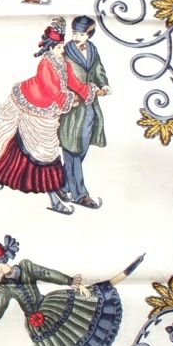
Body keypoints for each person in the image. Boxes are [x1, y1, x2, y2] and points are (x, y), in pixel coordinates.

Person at [0, 235, 143, 346]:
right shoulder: (4, 287)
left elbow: (47, 274)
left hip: (51, 308)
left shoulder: (26, 267)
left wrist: (72, 283)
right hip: (36, 325)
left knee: (75, 333)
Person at [0, 18, 107, 215]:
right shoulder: (46, 64)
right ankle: (54, 198)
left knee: (28, 151)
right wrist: (70, 98)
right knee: (46, 156)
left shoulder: (62, 61)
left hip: (50, 113)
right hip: (37, 110)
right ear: (51, 47)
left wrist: (89, 91)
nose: (63, 49)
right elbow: (51, 90)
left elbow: (73, 81)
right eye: (59, 47)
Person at [57, 15, 109, 209]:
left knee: (82, 147)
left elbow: (98, 70)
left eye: (80, 34)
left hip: (90, 106)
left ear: (89, 35)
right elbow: (61, 77)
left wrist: (104, 84)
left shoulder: (93, 49)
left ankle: (62, 185)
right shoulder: (64, 51)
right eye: (74, 33)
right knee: (72, 149)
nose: (76, 36)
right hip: (72, 107)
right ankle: (80, 194)